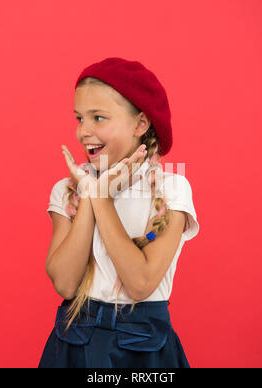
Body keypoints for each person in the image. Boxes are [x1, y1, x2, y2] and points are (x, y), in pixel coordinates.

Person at [38, 57, 200, 368]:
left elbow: (140, 283)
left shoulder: (171, 190)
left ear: (141, 124)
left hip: (144, 349)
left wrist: (102, 198)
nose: (83, 132)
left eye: (98, 118)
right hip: (74, 345)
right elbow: (66, 284)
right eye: (79, 118)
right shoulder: (67, 190)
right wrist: (90, 195)